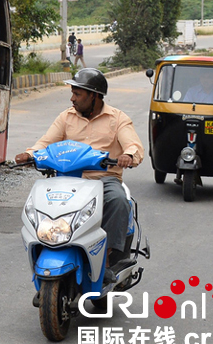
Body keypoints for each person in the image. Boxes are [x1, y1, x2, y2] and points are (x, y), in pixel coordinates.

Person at [14, 68, 143, 282]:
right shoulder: (66, 117)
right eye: (72, 93)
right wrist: (29, 155)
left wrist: (128, 155)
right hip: (68, 180)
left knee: (119, 200)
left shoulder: (117, 118)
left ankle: (107, 260)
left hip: (102, 180)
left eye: (77, 94)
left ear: (94, 95)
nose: (72, 98)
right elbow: (46, 142)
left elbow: (133, 145)